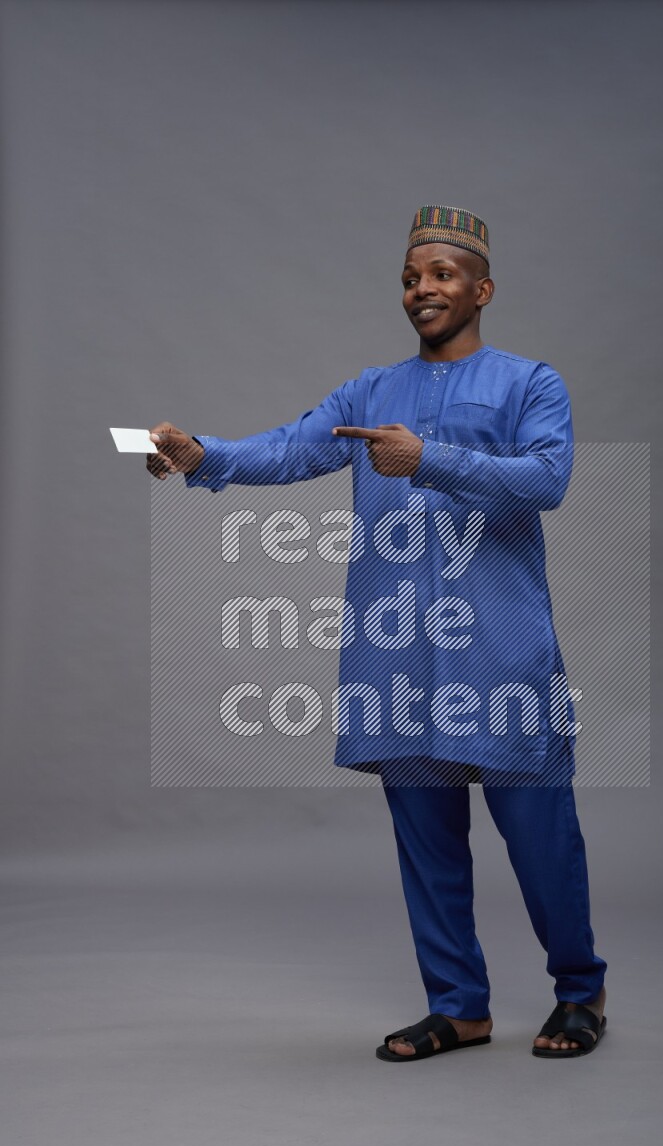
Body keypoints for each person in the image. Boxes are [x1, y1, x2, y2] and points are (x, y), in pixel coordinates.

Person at [147, 205, 608, 1061]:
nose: (422, 289)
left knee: (543, 837)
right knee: (426, 841)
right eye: (409, 277)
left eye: (439, 274)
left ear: (482, 288)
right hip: (398, 651)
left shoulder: (530, 382)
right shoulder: (369, 390)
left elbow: (548, 479)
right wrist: (200, 455)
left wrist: (429, 457)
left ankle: (580, 991)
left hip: (500, 649)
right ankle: (459, 1005)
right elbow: (289, 449)